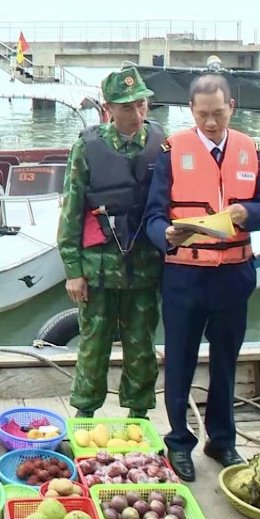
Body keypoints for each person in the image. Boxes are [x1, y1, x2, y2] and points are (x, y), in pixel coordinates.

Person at [143, 74, 260, 482]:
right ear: (191, 112)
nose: (211, 122)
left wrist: (246, 214)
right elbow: (152, 215)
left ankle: (222, 440)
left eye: (218, 113)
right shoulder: (172, 151)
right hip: (185, 276)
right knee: (180, 363)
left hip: (233, 277)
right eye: (203, 115)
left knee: (225, 363)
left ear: (231, 107)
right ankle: (179, 441)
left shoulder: (249, 150)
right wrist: (163, 235)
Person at [56, 67, 165, 420]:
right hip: (99, 269)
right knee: (94, 344)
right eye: (128, 107)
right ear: (109, 109)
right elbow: (72, 211)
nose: (137, 113)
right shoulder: (87, 148)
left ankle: (139, 413)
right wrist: (73, 270)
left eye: (142, 104)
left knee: (142, 345)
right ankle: (85, 413)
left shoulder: (161, 144)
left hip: (145, 268)